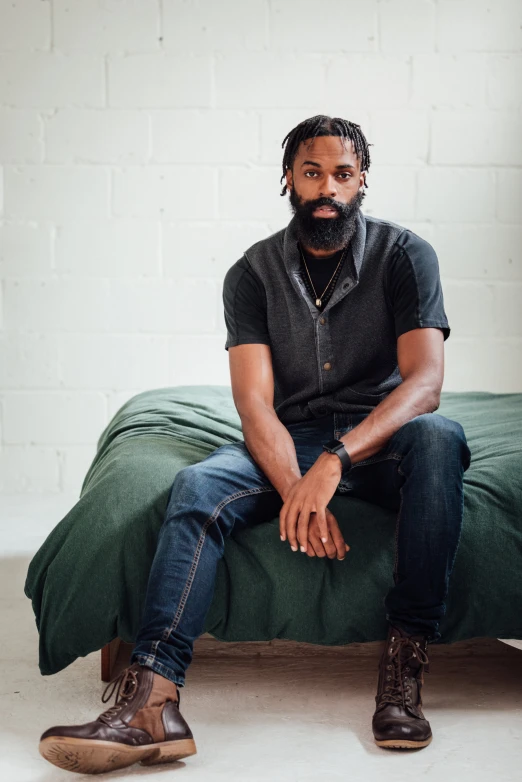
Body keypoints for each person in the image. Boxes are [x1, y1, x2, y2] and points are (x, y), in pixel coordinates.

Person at [39, 115, 472, 773]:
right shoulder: (252, 273)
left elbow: (425, 384)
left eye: (342, 174)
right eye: (312, 172)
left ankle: (404, 666)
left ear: (362, 182)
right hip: (290, 437)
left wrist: (337, 461)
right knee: (197, 485)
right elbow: (253, 403)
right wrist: (300, 487)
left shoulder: (406, 256)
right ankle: (153, 700)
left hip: (381, 438)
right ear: (288, 180)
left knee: (440, 440)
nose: (327, 187)